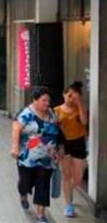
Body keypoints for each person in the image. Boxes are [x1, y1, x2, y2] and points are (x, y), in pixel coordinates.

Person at [11, 86, 62, 223]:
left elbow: (58, 134)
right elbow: (16, 128)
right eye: (43, 100)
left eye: (48, 100)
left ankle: (41, 214)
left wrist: (58, 151)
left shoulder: (52, 115)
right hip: (27, 158)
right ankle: (23, 194)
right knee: (26, 183)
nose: (47, 103)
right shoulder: (26, 113)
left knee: (43, 184)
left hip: (47, 159)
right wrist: (15, 146)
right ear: (35, 100)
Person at [54, 82, 88, 218]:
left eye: (74, 96)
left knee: (78, 179)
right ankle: (69, 205)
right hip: (64, 144)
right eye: (69, 95)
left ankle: (69, 190)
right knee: (66, 176)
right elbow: (54, 130)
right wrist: (57, 148)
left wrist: (79, 103)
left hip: (79, 142)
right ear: (64, 95)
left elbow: (84, 122)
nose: (71, 98)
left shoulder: (80, 108)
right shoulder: (56, 110)